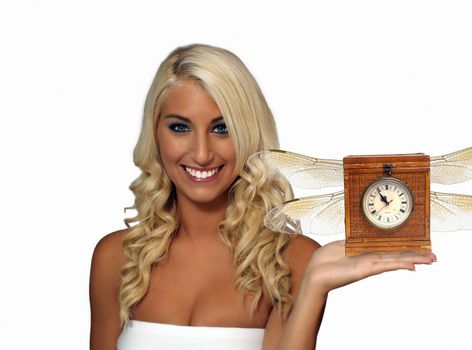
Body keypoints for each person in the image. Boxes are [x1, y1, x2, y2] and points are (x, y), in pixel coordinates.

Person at [89, 43, 436, 350]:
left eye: (222, 129)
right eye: (180, 127)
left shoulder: (291, 260)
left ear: (249, 133)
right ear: (155, 134)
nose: (201, 153)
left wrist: (314, 287)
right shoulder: (116, 258)